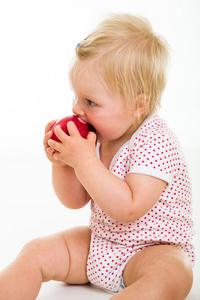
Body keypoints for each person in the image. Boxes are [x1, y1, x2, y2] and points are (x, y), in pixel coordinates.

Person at [0, 13, 195, 300]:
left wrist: (83, 161)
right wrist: (64, 164)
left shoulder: (157, 143)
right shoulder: (98, 135)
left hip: (151, 250)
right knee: (35, 251)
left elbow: (128, 208)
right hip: (102, 244)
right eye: (77, 97)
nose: (78, 109)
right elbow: (75, 200)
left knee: (173, 275)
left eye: (91, 102)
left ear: (137, 105)